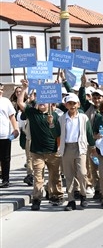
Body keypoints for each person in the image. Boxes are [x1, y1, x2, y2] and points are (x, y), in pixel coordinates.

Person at [16, 80, 63, 209]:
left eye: (45, 100)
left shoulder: (55, 115)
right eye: (39, 100)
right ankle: (37, 199)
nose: (42, 103)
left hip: (53, 152)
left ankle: (56, 196)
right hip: (37, 152)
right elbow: (20, 103)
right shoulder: (32, 113)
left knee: (55, 176)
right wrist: (25, 88)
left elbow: (58, 133)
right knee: (38, 177)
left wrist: (51, 123)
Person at [55, 93, 95, 211]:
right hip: (66, 147)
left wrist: (92, 146)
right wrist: (51, 124)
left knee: (82, 172)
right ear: (66, 105)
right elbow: (56, 133)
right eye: (69, 103)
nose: (72, 106)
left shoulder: (83, 118)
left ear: (78, 104)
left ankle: (83, 195)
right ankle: (71, 200)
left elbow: (88, 132)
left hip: (80, 147)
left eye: (74, 103)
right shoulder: (62, 118)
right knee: (69, 175)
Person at [0, 83, 20, 188]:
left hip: (4, 134)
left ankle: (5, 179)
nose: (1, 91)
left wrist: (15, 128)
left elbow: (12, 116)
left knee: (5, 158)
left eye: (2, 89)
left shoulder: (5, 101)